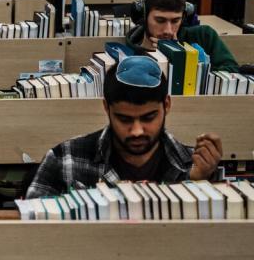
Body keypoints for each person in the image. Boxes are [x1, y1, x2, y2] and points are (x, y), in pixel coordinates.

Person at [26, 56, 222, 199]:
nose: (137, 130)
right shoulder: (64, 158)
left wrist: (199, 182)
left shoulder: (194, 165)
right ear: (106, 107)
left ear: (167, 105)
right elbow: (32, 233)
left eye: (148, 117)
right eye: (124, 119)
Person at [126, 0, 240, 72]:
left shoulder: (204, 35)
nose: (168, 31)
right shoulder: (129, 49)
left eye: (175, 21)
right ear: (143, 16)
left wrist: (187, 62)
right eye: (160, 20)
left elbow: (232, 72)